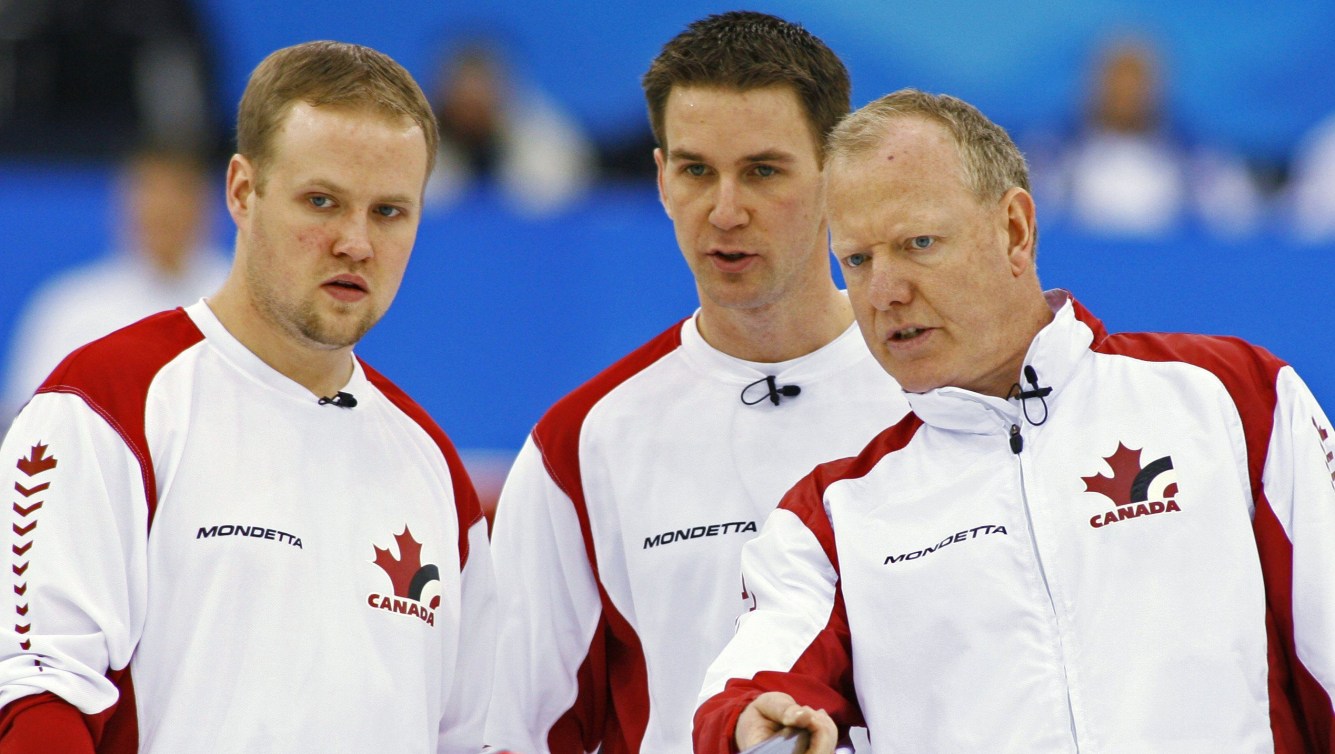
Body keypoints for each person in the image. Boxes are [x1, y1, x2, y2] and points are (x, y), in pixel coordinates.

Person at [695, 89, 1335, 753]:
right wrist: (750, 724)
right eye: (856, 259)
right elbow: (755, 684)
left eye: (917, 243)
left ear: (1014, 231)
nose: (883, 291)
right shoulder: (832, 519)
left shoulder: (1230, 399)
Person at [0, 41, 496, 752]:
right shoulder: (108, 407)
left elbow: (474, 735)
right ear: (241, 190)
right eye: (321, 201)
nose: (355, 242)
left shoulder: (433, 472)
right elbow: (39, 690)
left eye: (388, 212)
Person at [483, 12, 908, 754]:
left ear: (837, 174)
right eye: (696, 170)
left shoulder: (940, 397)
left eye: (762, 171)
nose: (725, 210)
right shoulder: (582, 443)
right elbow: (515, 730)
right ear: (660, 178)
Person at [2, 143, 230, 422]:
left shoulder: (240, 297)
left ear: (211, 202)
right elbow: (30, 417)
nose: (163, 207)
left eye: (179, 190)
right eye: (149, 189)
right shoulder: (73, 305)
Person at [425, 36, 596, 216]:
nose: (471, 107)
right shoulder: (416, 136)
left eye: (480, 100)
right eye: (462, 99)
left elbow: (556, 194)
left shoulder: (539, 132)